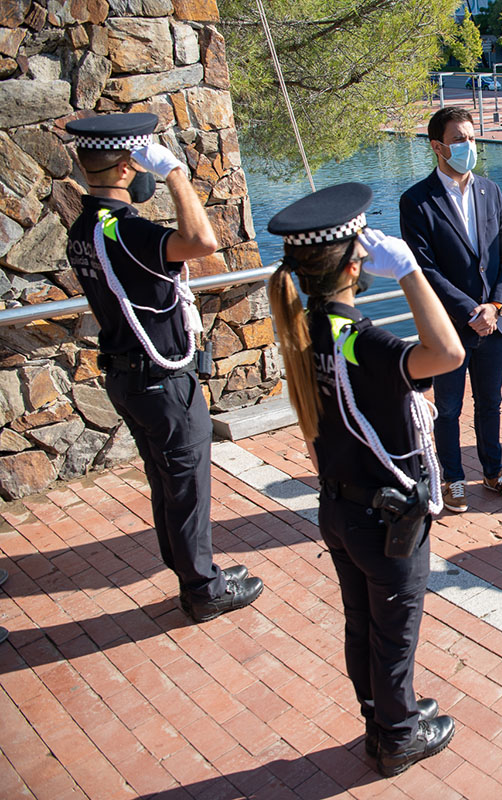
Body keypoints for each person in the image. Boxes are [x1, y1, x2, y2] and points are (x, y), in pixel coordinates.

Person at [267, 183, 462, 777]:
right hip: (386, 521)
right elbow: (449, 353)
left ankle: (382, 715)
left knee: (362, 623)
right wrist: (407, 270)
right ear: (357, 262)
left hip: (340, 510)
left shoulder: (308, 331)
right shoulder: (363, 343)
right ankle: (399, 737)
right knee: (394, 635)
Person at [63, 112, 263, 623]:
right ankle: (203, 590)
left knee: (167, 481)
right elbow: (202, 242)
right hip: (162, 384)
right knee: (187, 487)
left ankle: (196, 572)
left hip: (130, 377)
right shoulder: (127, 231)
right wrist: (175, 173)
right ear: (130, 165)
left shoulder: (85, 227)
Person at [399, 107, 502, 514]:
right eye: (459, 139)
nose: (468, 145)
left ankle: (494, 471)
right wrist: (471, 309)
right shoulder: (417, 201)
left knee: (491, 402)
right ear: (437, 146)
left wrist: (496, 305)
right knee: (449, 409)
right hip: (450, 327)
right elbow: (424, 269)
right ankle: (452, 479)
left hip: (494, 323)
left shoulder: (491, 191)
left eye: (471, 138)